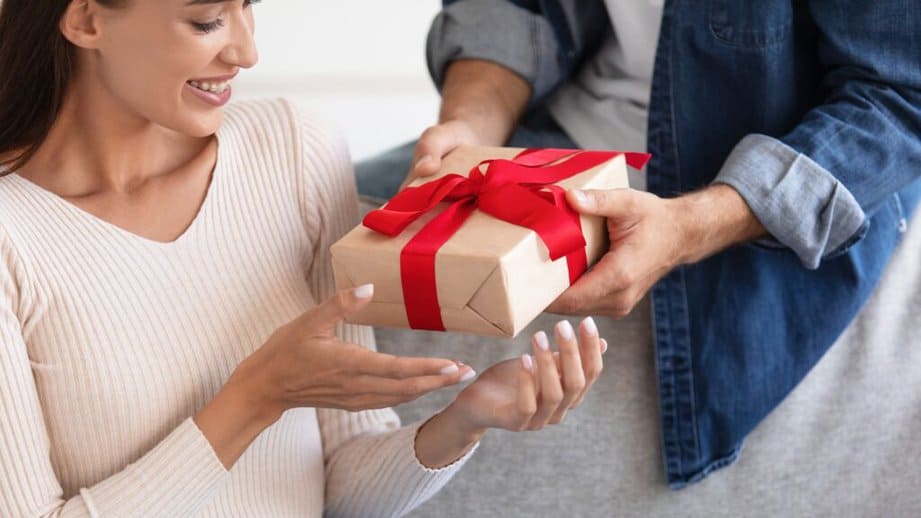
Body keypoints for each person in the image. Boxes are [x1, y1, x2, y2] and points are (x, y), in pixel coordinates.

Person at [0, 1, 608, 516]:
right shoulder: (14, 235)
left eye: (250, 9)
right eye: (209, 21)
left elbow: (343, 481)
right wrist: (256, 398)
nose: (246, 52)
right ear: (85, 21)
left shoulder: (293, 151)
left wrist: (465, 420)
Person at [356, 0, 921, 514]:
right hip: (560, 139)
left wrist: (687, 229)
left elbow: (899, 93)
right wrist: (472, 126)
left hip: (757, 171)